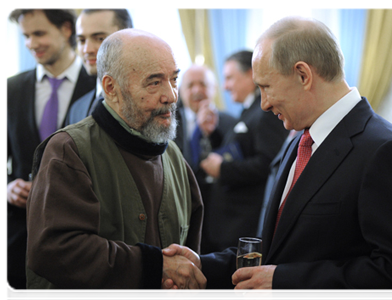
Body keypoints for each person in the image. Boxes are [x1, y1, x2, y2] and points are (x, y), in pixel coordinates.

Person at [164, 16, 392, 300]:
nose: (263, 103)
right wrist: (201, 266)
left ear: (303, 75)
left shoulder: (385, 150)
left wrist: (286, 283)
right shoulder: (299, 139)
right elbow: (277, 249)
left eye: (267, 87)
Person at [26, 28, 206, 300]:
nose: (171, 96)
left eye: (174, 79)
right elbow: (54, 250)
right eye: (154, 82)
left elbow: (186, 259)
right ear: (111, 88)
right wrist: (154, 267)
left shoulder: (174, 158)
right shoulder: (69, 151)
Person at [5, 8, 96, 299]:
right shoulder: (10, 89)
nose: (31, 43)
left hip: (80, 241)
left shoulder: (97, 85)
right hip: (18, 244)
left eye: (39, 33)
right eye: (26, 36)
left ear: (67, 30)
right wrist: (7, 187)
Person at [199, 50, 289, 254]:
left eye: (229, 77)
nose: (225, 86)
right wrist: (212, 135)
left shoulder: (266, 112)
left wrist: (223, 169)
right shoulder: (248, 112)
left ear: (250, 74)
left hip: (242, 224)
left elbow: (268, 163)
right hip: (227, 223)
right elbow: (238, 150)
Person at [175, 64, 237, 216]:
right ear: (181, 92)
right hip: (183, 205)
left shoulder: (231, 123)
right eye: (190, 86)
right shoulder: (170, 122)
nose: (197, 90)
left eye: (203, 84)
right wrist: (198, 130)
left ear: (214, 88)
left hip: (221, 211)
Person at [66, 8, 133, 125]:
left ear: (128, 37)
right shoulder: (77, 109)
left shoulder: (146, 101)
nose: (87, 49)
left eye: (100, 38)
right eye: (81, 40)